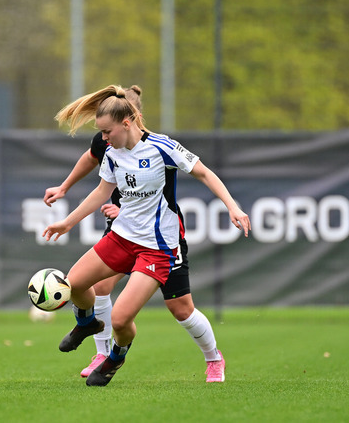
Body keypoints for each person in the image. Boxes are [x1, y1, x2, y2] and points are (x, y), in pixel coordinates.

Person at [42, 84, 250, 386]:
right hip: (121, 238)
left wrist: (232, 206)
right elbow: (101, 191)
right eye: (101, 133)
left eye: (107, 132)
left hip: (157, 247)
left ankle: (119, 356)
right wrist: (67, 223)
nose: (103, 139)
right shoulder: (111, 152)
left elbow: (204, 172)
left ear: (127, 123)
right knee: (74, 284)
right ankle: (87, 324)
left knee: (128, 318)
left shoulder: (162, 147)